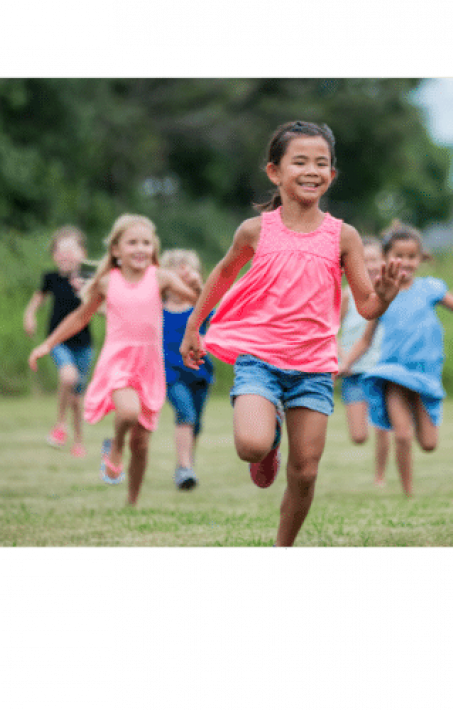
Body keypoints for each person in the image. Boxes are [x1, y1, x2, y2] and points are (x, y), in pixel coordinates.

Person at [180, 121, 404, 549]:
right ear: (274, 172)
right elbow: (223, 273)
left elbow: (367, 305)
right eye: (299, 161)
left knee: (304, 472)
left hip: (313, 366)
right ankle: (270, 441)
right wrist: (195, 324)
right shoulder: (255, 230)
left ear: (331, 175)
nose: (311, 170)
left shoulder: (344, 237)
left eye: (321, 163)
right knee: (251, 445)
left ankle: (282, 545)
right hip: (259, 359)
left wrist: (387, 295)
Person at [29, 215, 199, 507]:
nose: (140, 248)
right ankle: (116, 446)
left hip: (149, 365)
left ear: (153, 248)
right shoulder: (108, 282)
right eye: (132, 242)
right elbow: (80, 317)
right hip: (118, 361)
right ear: (116, 249)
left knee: (143, 444)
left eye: (146, 242)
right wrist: (48, 344)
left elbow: (197, 300)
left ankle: (132, 501)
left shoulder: (160, 277)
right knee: (129, 413)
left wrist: (197, 284)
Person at [340, 220, 453, 498]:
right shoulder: (382, 296)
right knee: (401, 435)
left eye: (412, 256)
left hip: (425, 374)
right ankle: (408, 491)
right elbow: (366, 340)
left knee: (428, 444)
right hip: (392, 372)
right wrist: (344, 365)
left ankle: (417, 410)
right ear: (386, 258)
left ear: (420, 258)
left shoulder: (431, 289)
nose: (405, 262)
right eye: (398, 256)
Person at [24, 227, 93, 458]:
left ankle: (79, 441)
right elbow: (36, 302)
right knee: (68, 377)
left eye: (71, 250)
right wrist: (29, 316)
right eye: (60, 251)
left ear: (82, 253)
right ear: (54, 255)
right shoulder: (50, 278)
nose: (65, 255)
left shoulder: (89, 279)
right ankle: (60, 425)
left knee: (77, 397)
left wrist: (85, 292)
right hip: (57, 341)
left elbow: (102, 309)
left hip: (84, 344)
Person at [338, 238, 391, 487]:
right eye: (364, 260)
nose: (370, 265)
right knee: (359, 436)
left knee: (382, 428)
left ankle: (379, 476)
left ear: (385, 261)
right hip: (353, 371)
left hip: (383, 370)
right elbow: (331, 329)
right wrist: (342, 360)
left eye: (374, 259)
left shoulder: (390, 294)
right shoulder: (347, 296)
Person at [161, 249, 214, 490]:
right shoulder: (156, 308)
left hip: (200, 374)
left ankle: (185, 465)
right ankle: (184, 467)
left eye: (188, 269)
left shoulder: (199, 306)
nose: (182, 274)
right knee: (185, 414)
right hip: (170, 373)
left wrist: (200, 288)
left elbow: (216, 318)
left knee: (196, 423)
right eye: (175, 269)